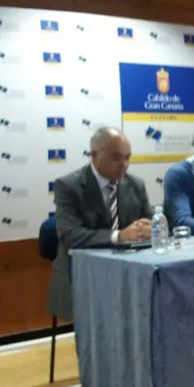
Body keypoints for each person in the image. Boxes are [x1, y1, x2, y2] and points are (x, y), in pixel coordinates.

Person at [49, 126, 153, 322]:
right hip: (83, 275)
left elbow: (149, 223)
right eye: (117, 158)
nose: (124, 165)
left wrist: (149, 230)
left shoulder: (135, 184)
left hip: (128, 272)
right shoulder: (68, 186)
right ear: (94, 155)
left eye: (127, 158)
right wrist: (118, 236)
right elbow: (70, 234)